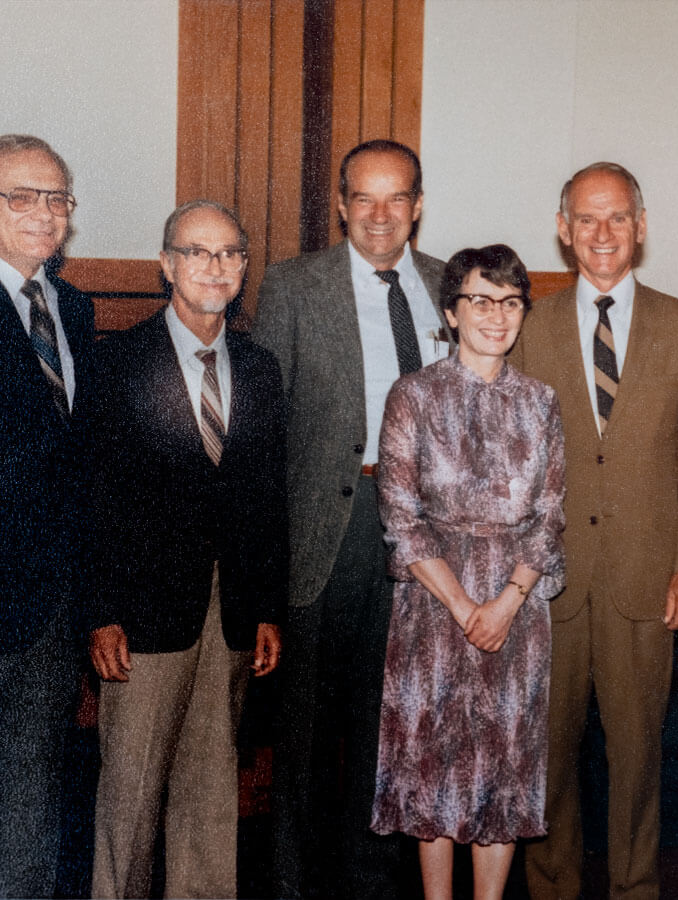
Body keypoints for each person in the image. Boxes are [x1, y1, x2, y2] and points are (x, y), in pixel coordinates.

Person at [252, 139, 449, 897]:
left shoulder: (446, 285)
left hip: (420, 540)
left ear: (418, 206)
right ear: (340, 205)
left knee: (389, 727)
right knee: (302, 736)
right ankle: (294, 886)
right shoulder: (294, 285)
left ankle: (372, 885)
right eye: (363, 198)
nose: (378, 214)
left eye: (395, 198)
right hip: (323, 535)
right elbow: (265, 432)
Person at [512, 162, 678, 900]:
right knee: (547, 756)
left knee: (637, 760)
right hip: (550, 583)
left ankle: (635, 887)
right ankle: (552, 885)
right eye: (586, 220)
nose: (602, 235)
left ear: (641, 225)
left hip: (646, 581)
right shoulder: (528, 325)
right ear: (563, 231)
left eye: (618, 218)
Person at [86, 200, 286, 898]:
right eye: (196, 252)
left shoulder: (260, 370)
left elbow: (264, 498)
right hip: (142, 614)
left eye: (230, 253)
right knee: (130, 796)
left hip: (227, 613)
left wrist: (264, 606)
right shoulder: (115, 364)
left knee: (210, 787)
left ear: (243, 269)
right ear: (166, 263)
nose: (214, 266)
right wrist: (101, 611)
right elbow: (95, 497)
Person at [372, 244, 565, 899]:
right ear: (452, 312)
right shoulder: (413, 396)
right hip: (433, 608)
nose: (496, 315)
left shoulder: (541, 402)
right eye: (480, 300)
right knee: (434, 770)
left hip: (518, 610)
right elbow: (400, 515)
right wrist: (463, 608)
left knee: (503, 772)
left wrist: (505, 605)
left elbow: (549, 516)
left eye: (510, 302)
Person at [0, 134, 94, 898]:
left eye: (58, 198)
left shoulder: (71, 308)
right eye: (24, 196)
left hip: (50, 616)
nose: (45, 214)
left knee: (28, 814)